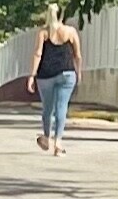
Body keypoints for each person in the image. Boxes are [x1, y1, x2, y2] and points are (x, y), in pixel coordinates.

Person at [30, 8, 82, 154]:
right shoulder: (71, 32)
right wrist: (79, 72)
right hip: (67, 73)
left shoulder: (43, 33)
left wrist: (32, 75)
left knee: (47, 108)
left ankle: (47, 138)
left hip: (45, 75)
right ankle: (58, 143)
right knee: (61, 107)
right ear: (62, 16)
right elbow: (77, 55)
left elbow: (38, 54)